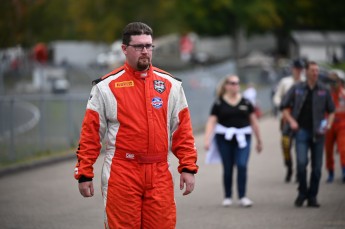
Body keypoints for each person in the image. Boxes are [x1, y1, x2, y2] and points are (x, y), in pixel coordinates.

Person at [74, 22, 198, 228]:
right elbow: (91, 134)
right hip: (122, 172)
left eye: (149, 46)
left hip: (159, 171)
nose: (145, 51)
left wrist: (188, 167)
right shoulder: (105, 87)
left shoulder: (171, 85)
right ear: (124, 49)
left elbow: (182, 130)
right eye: (139, 46)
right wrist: (84, 172)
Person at [280, 61, 335, 208]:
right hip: (301, 131)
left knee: (317, 168)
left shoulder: (324, 89)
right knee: (302, 163)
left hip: (318, 132)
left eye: (317, 71)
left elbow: (332, 111)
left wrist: (328, 125)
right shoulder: (297, 88)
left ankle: (313, 196)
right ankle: (302, 192)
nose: (315, 73)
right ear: (306, 72)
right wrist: (291, 121)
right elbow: (284, 107)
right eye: (312, 70)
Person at [204, 75, 262, 207]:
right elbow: (211, 122)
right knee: (228, 167)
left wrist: (259, 140)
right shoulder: (218, 103)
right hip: (224, 138)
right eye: (232, 83)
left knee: (242, 165)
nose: (236, 85)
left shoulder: (246, 102)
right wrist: (207, 139)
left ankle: (243, 196)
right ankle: (228, 196)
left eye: (237, 83)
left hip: (243, 137)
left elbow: (254, 122)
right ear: (226, 86)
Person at [273, 59, 305, 182]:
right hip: (287, 116)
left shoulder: (305, 82)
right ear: (293, 69)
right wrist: (281, 105)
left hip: (301, 118)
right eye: (297, 69)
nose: (298, 71)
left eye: (300, 69)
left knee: (300, 145)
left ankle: (300, 170)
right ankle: (289, 166)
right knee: (286, 144)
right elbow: (277, 96)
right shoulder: (285, 82)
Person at [324, 69, 345, 183]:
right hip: (328, 125)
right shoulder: (325, 95)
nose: (332, 84)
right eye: (330, 81)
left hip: (343, 125)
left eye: (335, 80)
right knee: (328, 150)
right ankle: (330, 172)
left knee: (343, 149)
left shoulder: (344, 94)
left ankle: (344, 171)